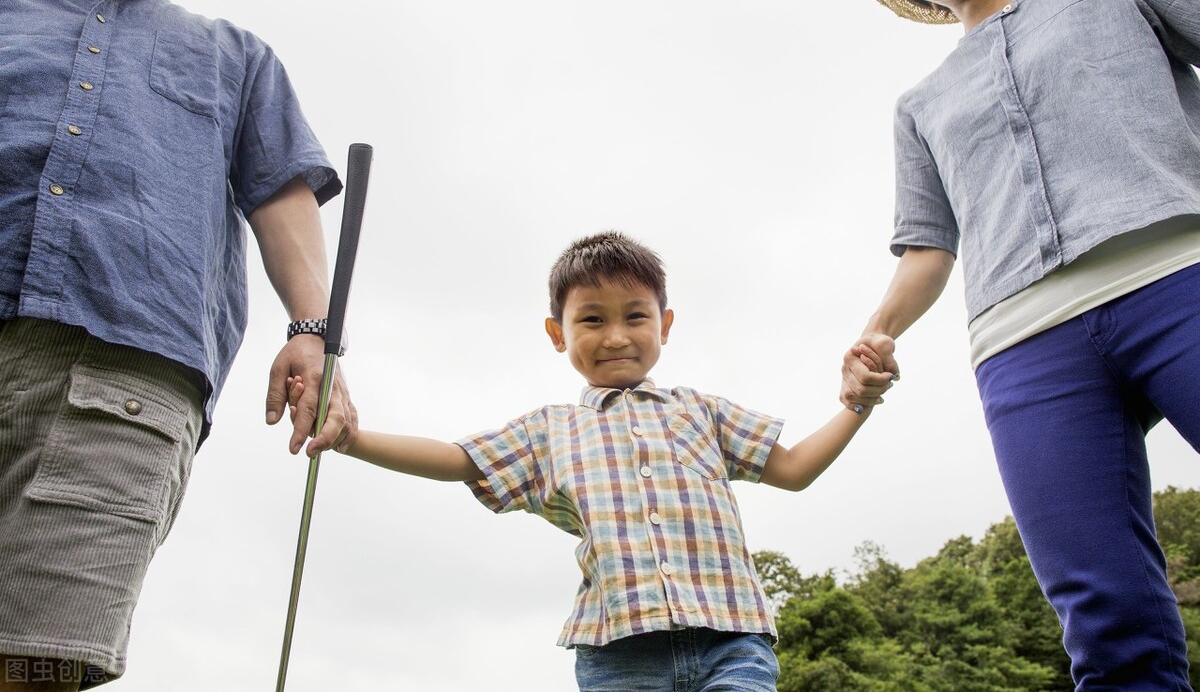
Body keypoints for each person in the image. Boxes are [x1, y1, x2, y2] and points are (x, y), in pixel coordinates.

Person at [841, 0, 1200, 688]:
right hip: (1024, 347)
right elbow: (928, 247)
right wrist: (877, 333)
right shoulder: (920, 107)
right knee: (1104, 614)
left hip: (1177, 275)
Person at [0, 0, 357, 688]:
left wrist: (313, 328)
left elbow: (280, 195)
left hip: (119, 382)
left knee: (32, 665)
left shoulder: (235, 56)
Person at [288, 231, 880, 692]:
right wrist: (353, 440)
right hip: (620, 654)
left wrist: (858, 403)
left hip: (732, 639)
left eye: (635, 315)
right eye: (592, 319)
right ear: (557, 333)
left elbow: (796, 468)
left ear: (665, 325)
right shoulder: (551, 431)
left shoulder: (702, 412)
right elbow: (458, 459)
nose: (616, 335)